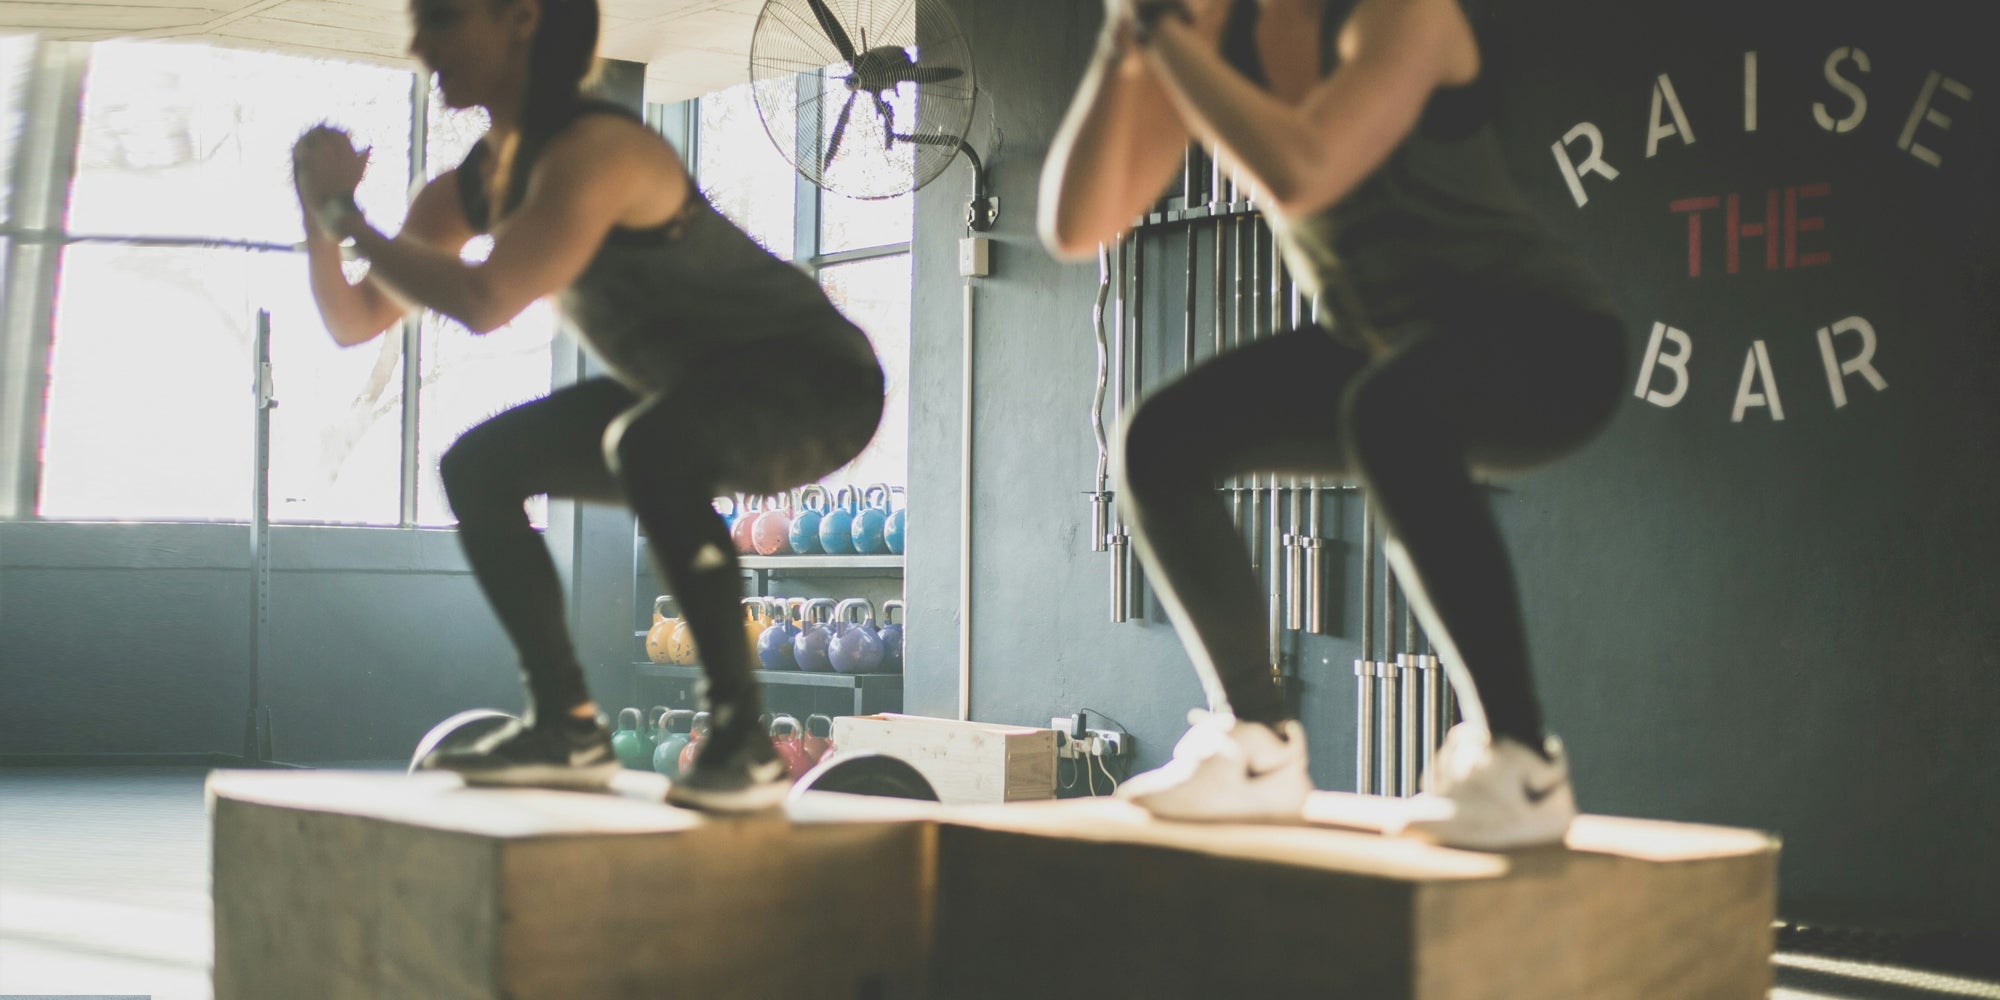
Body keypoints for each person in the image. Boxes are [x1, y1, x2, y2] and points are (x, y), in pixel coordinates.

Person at [1038, 0, 1625, 848]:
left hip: (1548, 338)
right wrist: (1121, 41)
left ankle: (1523, 761)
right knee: (1160, 441)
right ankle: (1258, 743)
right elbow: (1075, 224)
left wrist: (1164, 36)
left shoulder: (1401, 16)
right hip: (1381, 348)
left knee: (1389, 412)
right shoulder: (1215, 45)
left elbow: (1302, 167)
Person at [290, 0, 884, 811]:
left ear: (520, 18)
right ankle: (566, 725)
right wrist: (321, 221)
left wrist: (346, 216)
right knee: (479, 466)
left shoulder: (600, 150)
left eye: (444, 17)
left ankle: (742, 740)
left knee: (649, 447)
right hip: (685, 392)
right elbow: (355, 320)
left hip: (815, 382)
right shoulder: (468, 188)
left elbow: (485, 298)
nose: (419, 43)